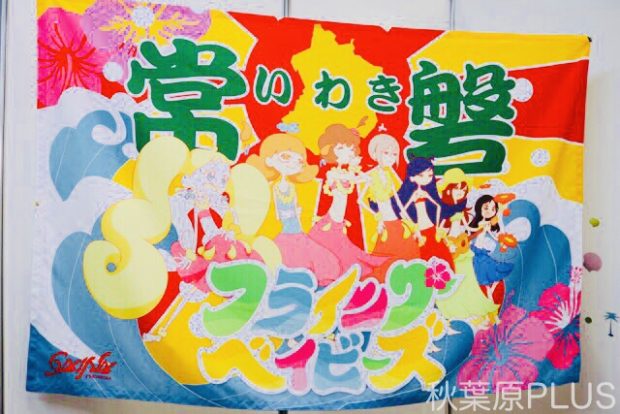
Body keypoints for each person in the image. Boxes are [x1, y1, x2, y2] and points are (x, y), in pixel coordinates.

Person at [247, 132, 341, 286]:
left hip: (297, 231)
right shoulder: (272, 188)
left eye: (298, 160)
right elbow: (274, 213)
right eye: (285, 157)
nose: (292, 163)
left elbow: (296, 208)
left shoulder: (292, 187)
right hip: (282, 233)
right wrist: (292, 213)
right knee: (286, 259)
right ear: (269, 160)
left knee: (314, 256)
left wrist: (300, 215)